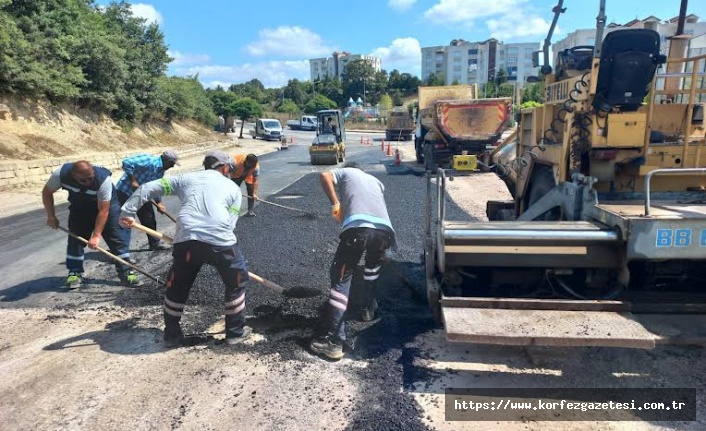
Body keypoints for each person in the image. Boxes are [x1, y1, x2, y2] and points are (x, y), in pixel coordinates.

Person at [119, 150, 251, 348]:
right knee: (236, 281)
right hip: (221, 243)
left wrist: (127, 212)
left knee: (178, 286)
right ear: (224, 167)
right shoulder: (232, 188)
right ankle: (235, 332)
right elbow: (231, 223)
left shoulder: (184, 179)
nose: (229, 172)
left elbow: (146, 188)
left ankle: (171, 335)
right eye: (229, 169)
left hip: (186, 241)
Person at [309, 162, 396, 360]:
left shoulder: (347, 171)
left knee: (341, 277)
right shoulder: (376, 181)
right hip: (384, 232)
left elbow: (324, 175)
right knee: (371, 270)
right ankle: (367, 310)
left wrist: (335, 203)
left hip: (359, 230)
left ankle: (334, 342)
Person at [42, 161, 143, 289]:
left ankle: (126, 272)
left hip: (107, 207)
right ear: (74, 175)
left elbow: (103, 210)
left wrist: (96, 235)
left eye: (91, 178)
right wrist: (51, 216)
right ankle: (75, 272)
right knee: (76, 239)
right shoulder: (60, 175)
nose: (89, 182)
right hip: (80, 206)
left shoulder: (102, 179)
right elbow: (46, 192)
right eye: (84, 180)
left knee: (117, 237)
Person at [115, 150, 179, 251]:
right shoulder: (148, 160)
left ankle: (154, 244)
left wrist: (159, 202)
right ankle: (121, 252)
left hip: (142, 195)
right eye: (172, 163)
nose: (172, 166)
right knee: (125, 221)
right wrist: (133, 180)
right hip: (125, 192)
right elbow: (126, 162)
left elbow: (155, 188)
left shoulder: (160, 172)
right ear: (165, 160)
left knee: (149, 219)